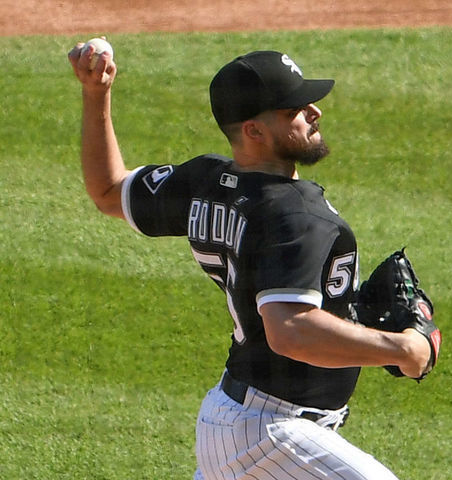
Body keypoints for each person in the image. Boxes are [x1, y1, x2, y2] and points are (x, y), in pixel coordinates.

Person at [68, 43, 433, 480]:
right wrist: (404, 348)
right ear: (254, 131)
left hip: (235, 420)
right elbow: (290, 329)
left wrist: (96, 94)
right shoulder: (297, 216)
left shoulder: (207, 181)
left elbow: (109, 191)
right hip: (272, 433)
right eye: (293, 109)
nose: (313, 112)